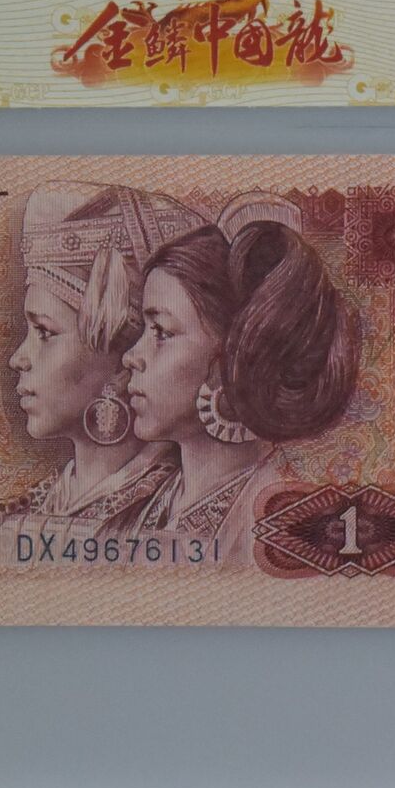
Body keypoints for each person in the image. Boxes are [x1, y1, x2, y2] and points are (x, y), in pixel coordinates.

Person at [114, 191, 360, 566]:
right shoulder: (142, 509)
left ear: (233, 356)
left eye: (161, 332)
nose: (131, 356)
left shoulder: (282, 525)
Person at [0, 181, 202, 572]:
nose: (18, 358)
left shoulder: (178, 516)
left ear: (123, 359)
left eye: (45, 332)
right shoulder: (28, 512)